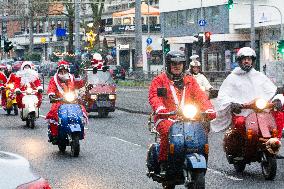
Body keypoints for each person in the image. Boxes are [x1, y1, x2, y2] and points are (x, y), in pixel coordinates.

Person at [148, 50, 216, 175]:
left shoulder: (190, 80)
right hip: (167, 117)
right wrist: (160, 109)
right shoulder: (159, 80)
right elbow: (154, 97)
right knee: (167, 131)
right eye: (173, 63)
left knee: (202, 130)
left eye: (180, 63)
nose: (177, 66)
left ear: (184, 65)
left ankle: (200, 156)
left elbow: (201, 96)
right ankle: (163, 162)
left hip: (189, 117)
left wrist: (209, 109)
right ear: (168, 64)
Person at [211, 47, 283, 143]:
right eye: (244, 59)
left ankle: (274, 145)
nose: (246, 61)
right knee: (239, 123)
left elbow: (272, 92)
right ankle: (238, 147)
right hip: (242, 113)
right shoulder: (232, 78)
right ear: (240, 61)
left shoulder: (259, 76)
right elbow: (223, 96)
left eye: (249, 59)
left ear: (252, 61)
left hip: (261, 112)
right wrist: (232, 103)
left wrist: (277, 100)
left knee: (278, 117)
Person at [46, 60, 88, 143]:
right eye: (61, 71)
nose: (63, 73)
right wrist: (51, 95)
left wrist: (85, 80)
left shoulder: (71, 78)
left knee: (81, 110)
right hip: (59, 101)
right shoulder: (54, 80)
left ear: (68, 71)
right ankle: (54, 133)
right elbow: (51, 88)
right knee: (54, 113)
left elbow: (79, 84)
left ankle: (80, 131)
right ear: (58, 72)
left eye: (65, 71)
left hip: (72, 101)